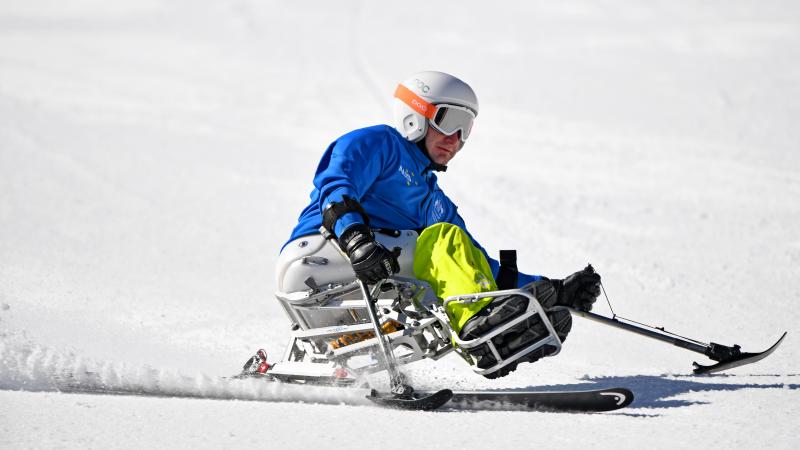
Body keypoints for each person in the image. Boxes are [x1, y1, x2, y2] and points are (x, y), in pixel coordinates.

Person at [275, 71, 601, 378]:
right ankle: (480, 325)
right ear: (415, 116)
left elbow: (475, 267)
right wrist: (358, 242)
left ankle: (504, 332)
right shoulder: (382, 144)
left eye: (466, 130)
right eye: (450, 122)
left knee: (454, 247)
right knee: (443, 239)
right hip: (323, 255)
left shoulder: (436, 202)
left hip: (373, 277)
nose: (456, 140)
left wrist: (552, 290)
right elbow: (336, 187)